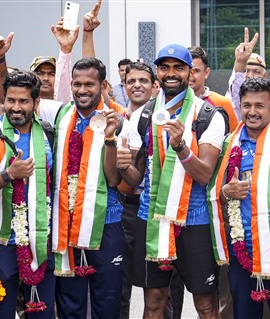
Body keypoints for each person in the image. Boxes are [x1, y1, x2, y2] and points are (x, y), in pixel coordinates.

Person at [122, 44, 226, 319]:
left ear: (190, 73)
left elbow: (204, 174)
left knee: (205, 305)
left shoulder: (208, 116)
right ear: (157, 72)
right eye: (164, 67)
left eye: (178, 68)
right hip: (152, 218)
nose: (171, 74)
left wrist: (181, 147)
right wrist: (121, 165)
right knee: (154, 303)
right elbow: (136, 179)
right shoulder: (142, 115)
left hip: (195, 221)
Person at [0, 70, 56, 318]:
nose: (15, 107)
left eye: (23, 101)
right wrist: (8, 176)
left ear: (36, 103)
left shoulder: (48, 134)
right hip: (0, 244)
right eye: (10, 100)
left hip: (40, 242)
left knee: (42, 313)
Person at [48, 57, 129, 318]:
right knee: (71, 303)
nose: (82, 90)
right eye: (77, 83)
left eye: (89, 84)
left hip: (106, 221)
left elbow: (114, 179)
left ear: (103, 84)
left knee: (107, 301)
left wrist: (110, 139)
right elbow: (9, 100)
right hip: (66, 221)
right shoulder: (60, 117)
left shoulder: (118, 120)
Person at [208, 77, 270, 318]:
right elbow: (213, 191)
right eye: (247, 105)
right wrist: (227, 192)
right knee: (244, 313)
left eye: (259, 106)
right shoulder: (228, 144)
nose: (252, 112)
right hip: (240, 245)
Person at [117, 61, 156, 319]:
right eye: (131, 81)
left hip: (156, 209)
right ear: (124, 86)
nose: (137, 85)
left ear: (155, 87)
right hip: (125, 207)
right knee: (120, 281)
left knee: (158, 286)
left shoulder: (164, 116)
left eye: (143, 80)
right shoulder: (115, 117)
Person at [189, 46, 239, 131]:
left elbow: (233, 139)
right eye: (187, 70)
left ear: (206, 73)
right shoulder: (173, 103)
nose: (190, 76)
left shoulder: (223, 103)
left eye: (196, 71)